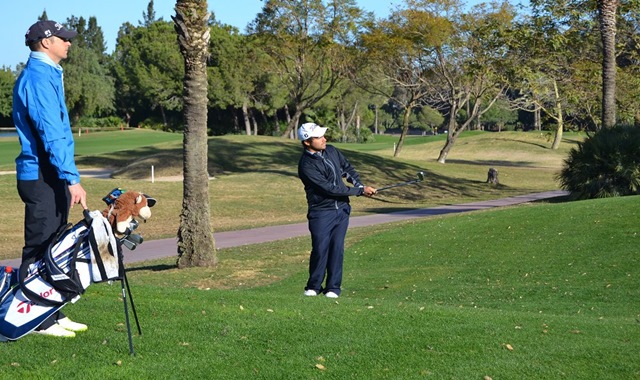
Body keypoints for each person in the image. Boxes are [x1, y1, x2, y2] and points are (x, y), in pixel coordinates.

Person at [12, 20, 88, 338]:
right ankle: (37, 320)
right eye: (63, 39)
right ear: (46, 43)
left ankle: (52, 312)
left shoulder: (49, 74)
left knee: (53, 247)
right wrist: (72, 179)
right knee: (39, 248)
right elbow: (51, 135)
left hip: (51, 175)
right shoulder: (38, 78)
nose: (68, 43)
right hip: (42, 175)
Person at [297, 122, 377, 298]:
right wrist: (360, 191)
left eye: (323, 135)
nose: (324, 139)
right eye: (318, 137)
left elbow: (347, 169)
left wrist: (360, 185)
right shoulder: (306, 165)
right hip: (321, 212)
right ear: (307, 142)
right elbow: (330, 189)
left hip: (341, 210)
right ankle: (314, 286)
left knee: (337, 248)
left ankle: (333, 288)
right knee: (320, 248)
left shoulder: (331, 150)